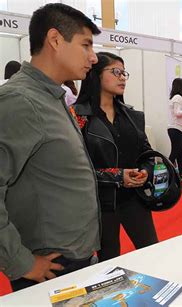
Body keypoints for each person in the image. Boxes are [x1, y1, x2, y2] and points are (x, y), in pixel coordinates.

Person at [0, 3, 101, 291]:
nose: (93, 57)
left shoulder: (52, 97)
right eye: (86, 45)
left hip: (75, 256)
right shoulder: (20, 101)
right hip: (52, 265)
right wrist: (21, 262)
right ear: (55, 40)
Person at [72, 52, 158, 262]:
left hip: (135, 198)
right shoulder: (77, 117)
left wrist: (146, 171)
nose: (122, 78)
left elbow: (147, 154)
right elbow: (75, 170)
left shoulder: (132, 116)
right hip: (100, 204)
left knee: (153, 254)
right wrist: (118, 176)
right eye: (115, 72)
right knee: (108, 262)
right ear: (96, 75)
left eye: (124, 73)